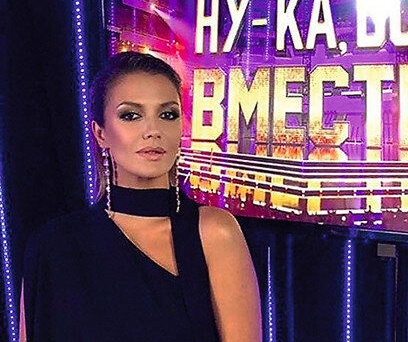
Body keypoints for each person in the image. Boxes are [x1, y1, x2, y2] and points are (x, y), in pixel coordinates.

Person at [19, 52, 262, 341]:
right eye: (131, 115)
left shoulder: (214, 232)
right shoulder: (51, 245)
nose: (153, 130)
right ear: (100, 133)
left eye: (167, 114)